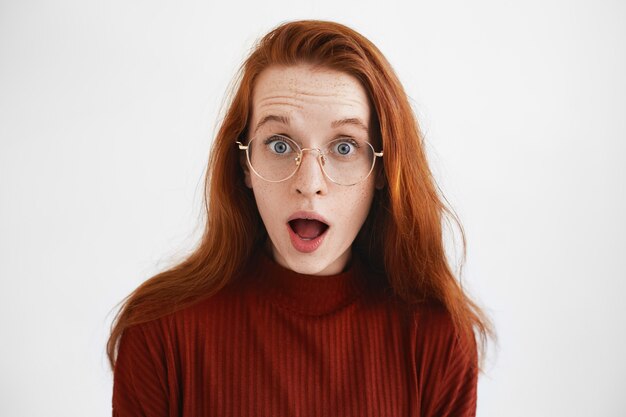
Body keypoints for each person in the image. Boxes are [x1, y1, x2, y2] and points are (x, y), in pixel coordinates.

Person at [108, 19, 494, 416]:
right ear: (244, 162)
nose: (309, 184)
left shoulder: (436, 338)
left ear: (382, 170)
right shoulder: (159, 330)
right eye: (279, 144)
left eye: (344, 147)